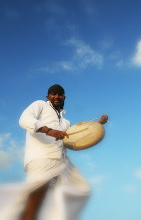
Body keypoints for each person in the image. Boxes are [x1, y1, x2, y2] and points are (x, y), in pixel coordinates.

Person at [17, 84, 108, 220]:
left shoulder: (65, 122)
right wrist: (49, 130)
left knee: (79, 191)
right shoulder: (40, 105)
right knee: (36, 199)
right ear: (48, 97)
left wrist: (98, 124)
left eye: (60, 94)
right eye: (53, 94)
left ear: (64, 97)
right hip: (42, 158)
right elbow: (24, 120)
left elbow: (76, 134)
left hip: (62, 162)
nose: (56, 96)